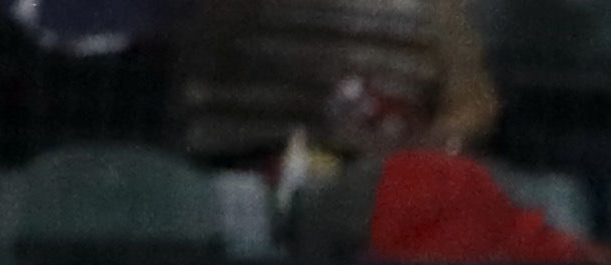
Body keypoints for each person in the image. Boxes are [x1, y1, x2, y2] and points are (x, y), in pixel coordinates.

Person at [175, 0, 493, 164]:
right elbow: (192, 54)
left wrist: (416, 154)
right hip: (238, 175)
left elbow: (471, 103)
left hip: (372, 191)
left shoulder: (438, 7)